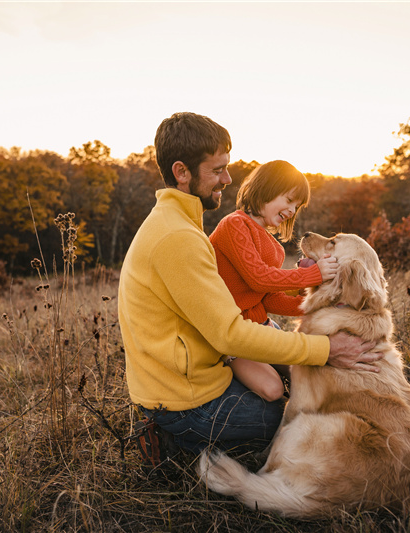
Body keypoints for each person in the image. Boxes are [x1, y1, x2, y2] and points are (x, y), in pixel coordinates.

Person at [117, 112, 381, 463]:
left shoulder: (179, 225)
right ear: (182, 172)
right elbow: (231, 333)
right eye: (217, 170)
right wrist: (325, 347)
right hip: (183, 399)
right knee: (296, 422)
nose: (228, 178)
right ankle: (172, 443)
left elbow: (260, 299)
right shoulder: (177, 237)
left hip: (197, 370)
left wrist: (322, 308)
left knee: (299, 396)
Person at [209, 160, 337, 402]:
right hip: (233, 336)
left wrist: (310, 302)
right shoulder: (234, 225)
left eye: (296, 207)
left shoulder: (275, 247)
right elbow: (259, 278)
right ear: (266, 189)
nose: (291, 211)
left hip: (262, 328)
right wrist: (312, 274)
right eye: (289, 200)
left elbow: (268, 299)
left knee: (309, 376)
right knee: (273, 389)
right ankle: (224, 376)